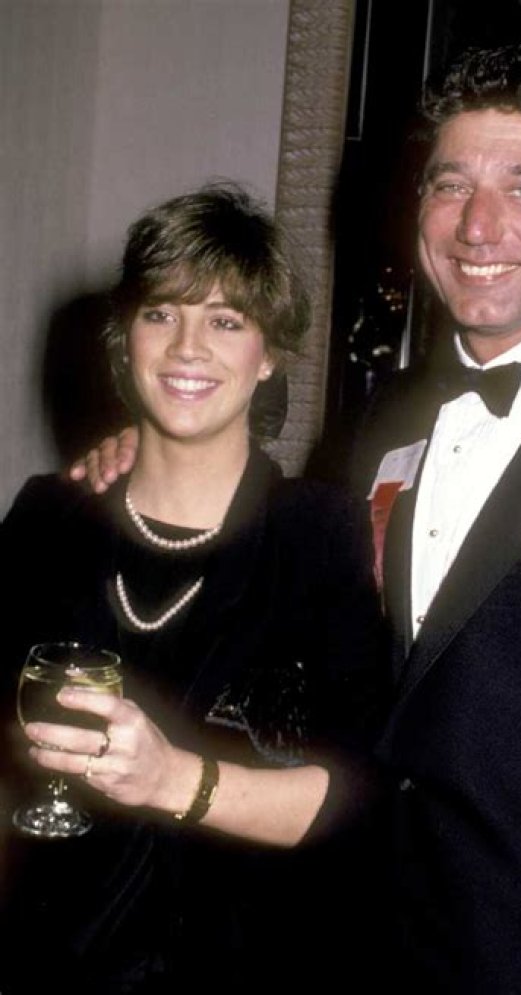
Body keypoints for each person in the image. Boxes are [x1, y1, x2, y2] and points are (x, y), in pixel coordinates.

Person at [70, 41, 521, 993]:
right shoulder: (381, 420)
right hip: (356, 944)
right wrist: (149, 443)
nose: (478, 224)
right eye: (450, 184)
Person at [0, 182, 390, 994]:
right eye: (161, 313)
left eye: (226, 320)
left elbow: (357, 794)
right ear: (125, 339)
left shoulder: (318, 534)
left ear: (269, 353)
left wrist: (173, 779)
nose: (187, 347)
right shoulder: (47, 518)